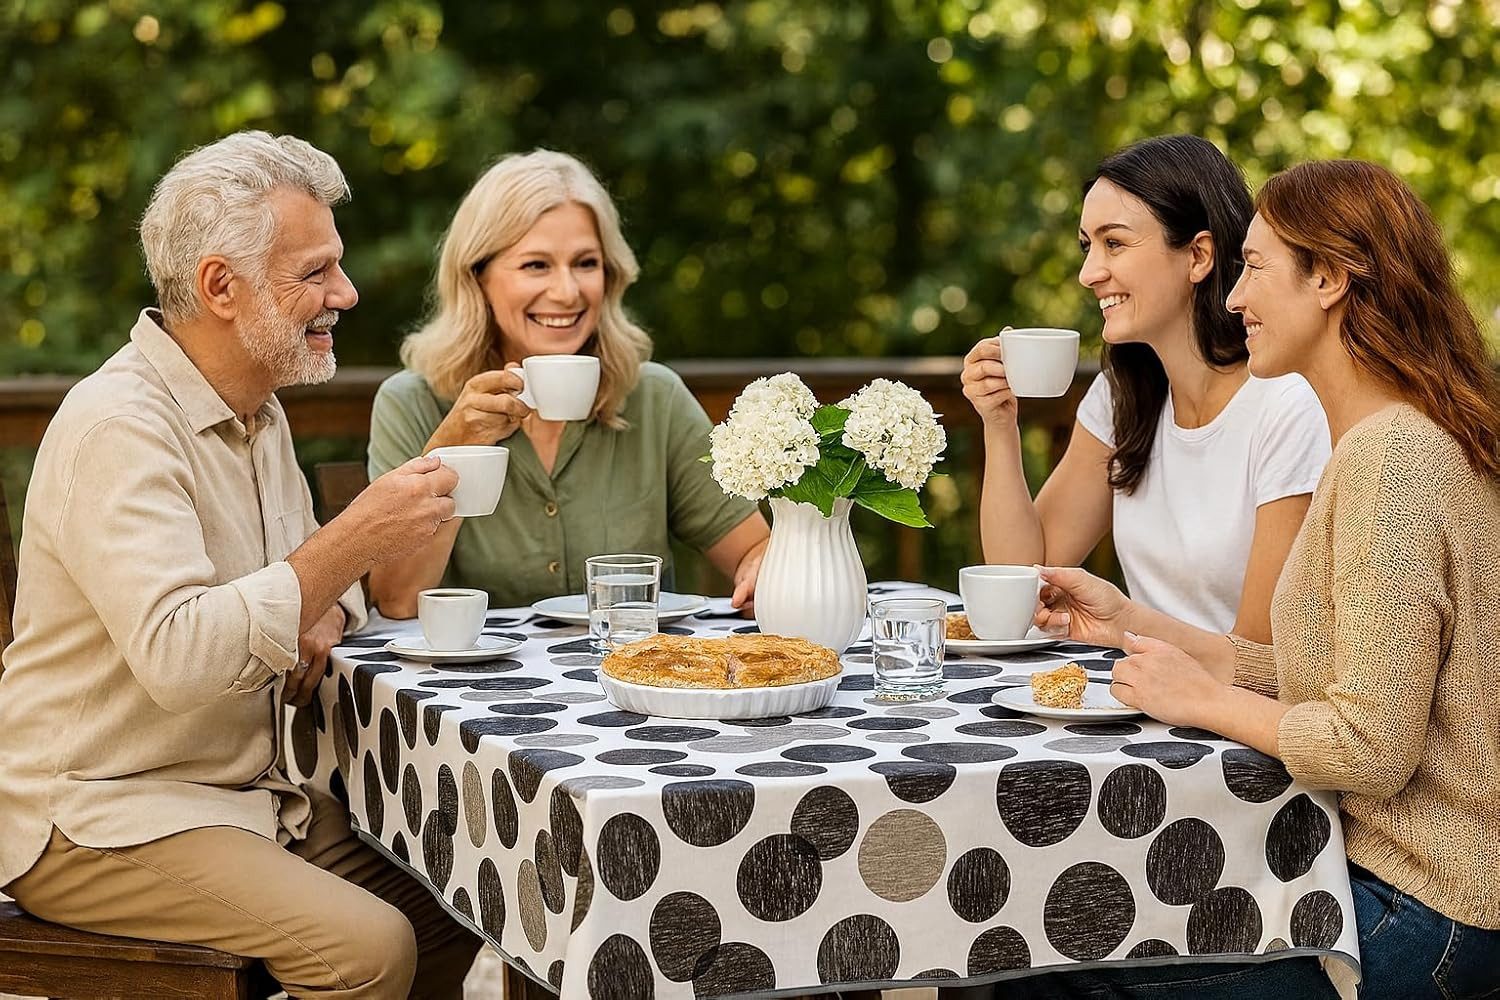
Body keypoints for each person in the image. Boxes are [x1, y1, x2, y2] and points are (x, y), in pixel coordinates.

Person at [0, 131, 482, 998]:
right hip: (98, 814)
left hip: (248, 797)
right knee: (368, 947)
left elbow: (308, 603)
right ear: (221, 286)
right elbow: (185, 659)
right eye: (315, 272)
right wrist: (355, 537)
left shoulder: (259, 410)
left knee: (461, 887)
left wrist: (320, 603)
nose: (348, 291)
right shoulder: (121, 426)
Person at [1029, 160, 1500, 998]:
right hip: (1384, 885)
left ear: (1327, 279)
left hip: (1427, 911)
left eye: (1255, 267)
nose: (1237, 298)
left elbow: (1370, 746)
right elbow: (1347, 680)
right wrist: (1137, 624)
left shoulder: (1394, 459)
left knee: (1068, 964)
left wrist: (1203, 702)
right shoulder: (1384, 440)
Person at [367, 149, 769, 616]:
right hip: (477, 687)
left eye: (585, 263)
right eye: (536, 265)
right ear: (478, 278)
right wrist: (458, 444)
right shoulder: (411, 403)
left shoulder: (654, 397)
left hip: (638, 677)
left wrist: (762, 567)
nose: (567, 292)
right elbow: (396, 600)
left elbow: (754, 551)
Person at [961, 135, 1329, 642]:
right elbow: (1025, 580)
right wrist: (999, 425)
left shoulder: (1287, 406)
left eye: (1114, 243)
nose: (1089, 274)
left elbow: (1256, 660)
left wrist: (1121, 627)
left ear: (1198, 256)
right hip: (1138, 702)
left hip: (1226, 714)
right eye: (1088, 246)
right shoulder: (1122, 397)